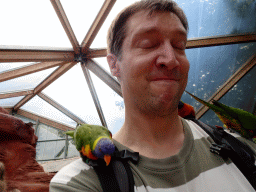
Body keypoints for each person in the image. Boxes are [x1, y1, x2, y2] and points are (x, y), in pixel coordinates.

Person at [50, 0, 256, 191]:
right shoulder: (81, 182)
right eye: (148, 44)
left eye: (180, 46)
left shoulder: (241, 148)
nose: (171, 59)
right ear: (113, 64)